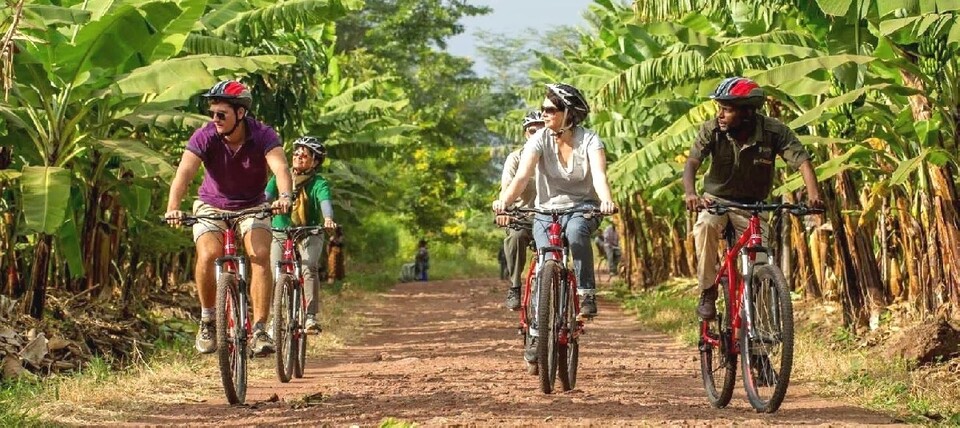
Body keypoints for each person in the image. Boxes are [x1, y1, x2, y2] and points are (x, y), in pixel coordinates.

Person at [164, 80, 293, 356]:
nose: (215, 119)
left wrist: (284, 196)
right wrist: (173, 206)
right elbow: (183, 174)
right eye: (213, 114)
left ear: (241, 113)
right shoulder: (205, 136)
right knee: (209, 254)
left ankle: (259, 329)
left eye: (221, 114)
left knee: (259, 255)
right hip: (212, 205)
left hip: (252, 205)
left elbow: (281, 167)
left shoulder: (263, 135)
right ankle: (208, 319)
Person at [683, 76, 823, 320]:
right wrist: (691, 193)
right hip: (716, 202)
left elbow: (802, 162)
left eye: (726, 109)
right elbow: (692, 162)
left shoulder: (773, 131)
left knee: (761, 266)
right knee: (704, 227)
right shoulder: (712, 129)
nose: (720, 115)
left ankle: (759, 349)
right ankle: (707, 291)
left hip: (752, 207)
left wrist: (813, 196)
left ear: (747, 112)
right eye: (720, 109)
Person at [493, 83, 617, 318]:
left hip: (583, 208)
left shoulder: (590, 140)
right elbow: (522, 176)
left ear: (568, 113)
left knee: (577, 232)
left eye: (550, 110)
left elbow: (600, 176)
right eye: (543, 108)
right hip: (545, 211)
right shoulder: (539, 138)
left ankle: (586, 293)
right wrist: (505, 202)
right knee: (545, 260)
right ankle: (538, 324)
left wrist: (606, 201)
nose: (544, 114)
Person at [265, 136, 337, 333]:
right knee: (274, 271)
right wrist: (263, 208)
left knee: (309, 266)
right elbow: (266, 197)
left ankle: (310, 316)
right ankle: (275, 319)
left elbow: (325, 202)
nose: (298, 157)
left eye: (304, 155)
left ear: (314, 161)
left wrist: (328, 218)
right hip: (281, 230)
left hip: (309, 231)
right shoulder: (281, 176)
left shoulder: (319, 183)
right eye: (296, 154)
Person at [496, 111, 543, 311]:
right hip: (524, 216)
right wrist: (503, 209)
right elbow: (507, 187)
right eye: (533, 131)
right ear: (526, 134)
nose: (537, 134)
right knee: (515, 237)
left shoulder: (559, 155)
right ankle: (515, 285)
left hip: (553, 216)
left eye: (543, 130)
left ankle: (573, 290)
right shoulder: (516, 158)